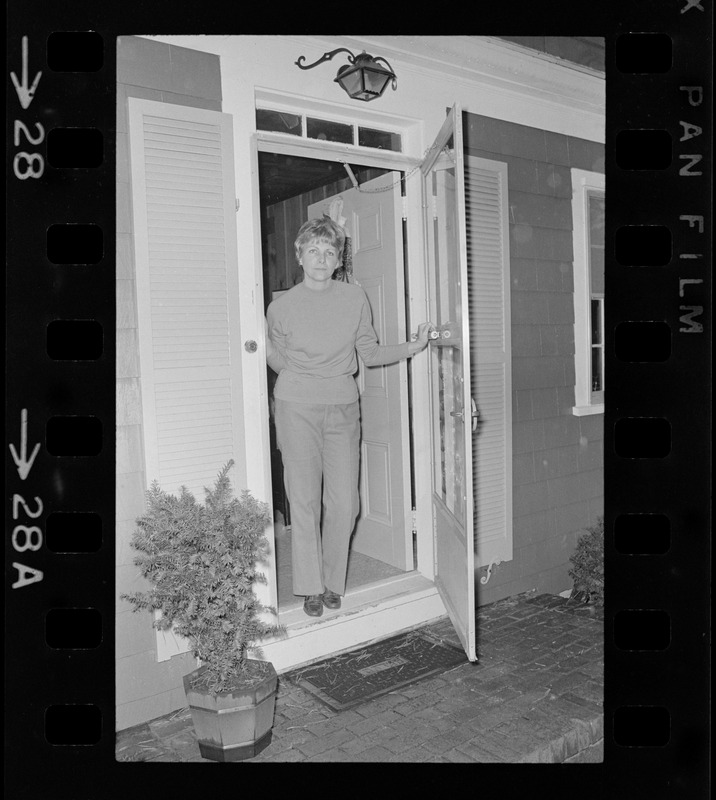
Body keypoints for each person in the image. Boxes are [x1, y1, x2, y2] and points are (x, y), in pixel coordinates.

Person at [265, 216, 432, 617]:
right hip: (296, 407)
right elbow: (272, 352)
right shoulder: (281, 305)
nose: (321, 258)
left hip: (342, 408)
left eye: (329, 252)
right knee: (304, 500)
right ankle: (309, 588)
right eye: (313, 251)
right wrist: (301, 376)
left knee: (345, 503)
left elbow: (370, 353)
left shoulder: (354, 298)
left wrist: (415, 345)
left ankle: (332, 581)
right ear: (299, 255)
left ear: (338, 259)